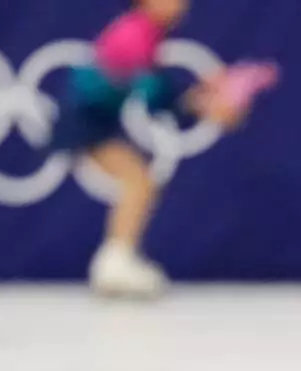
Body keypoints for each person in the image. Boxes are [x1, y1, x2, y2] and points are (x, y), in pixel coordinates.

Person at [47, 0, 279, 299]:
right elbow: (157, 99)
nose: (180, 4)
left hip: (95, 121)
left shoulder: (147, 33)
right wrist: (206, 105)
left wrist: (203, 98)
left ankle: (117, 258)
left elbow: (160, 95)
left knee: (139, 181)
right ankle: (114, 262)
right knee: (139, 181)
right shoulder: (135, 32)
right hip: (82, 122)